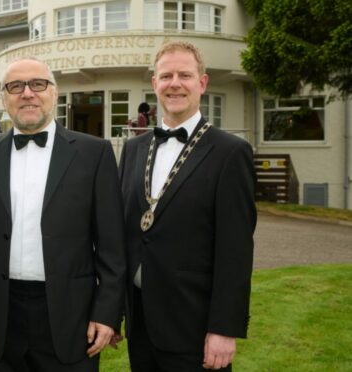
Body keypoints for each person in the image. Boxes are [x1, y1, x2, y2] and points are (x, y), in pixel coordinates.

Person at [0, 57, 126, 372]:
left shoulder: (95, 154)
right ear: (3, 97)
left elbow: (112, 247)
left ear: (54, 93)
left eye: (38, 84)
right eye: (15, 86)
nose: (28, 93)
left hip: (72, 316)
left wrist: (107, 313)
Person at [119, 41, 256, 371]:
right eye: (166, 76)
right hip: (140, 324)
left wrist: (224, 328)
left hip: (194, 327)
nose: (175, 83)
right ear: (154, 84)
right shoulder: (133, 149)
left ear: (202, 83)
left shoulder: (230, 153)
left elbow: (235, 249)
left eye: (185, 75)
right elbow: (124, 233)